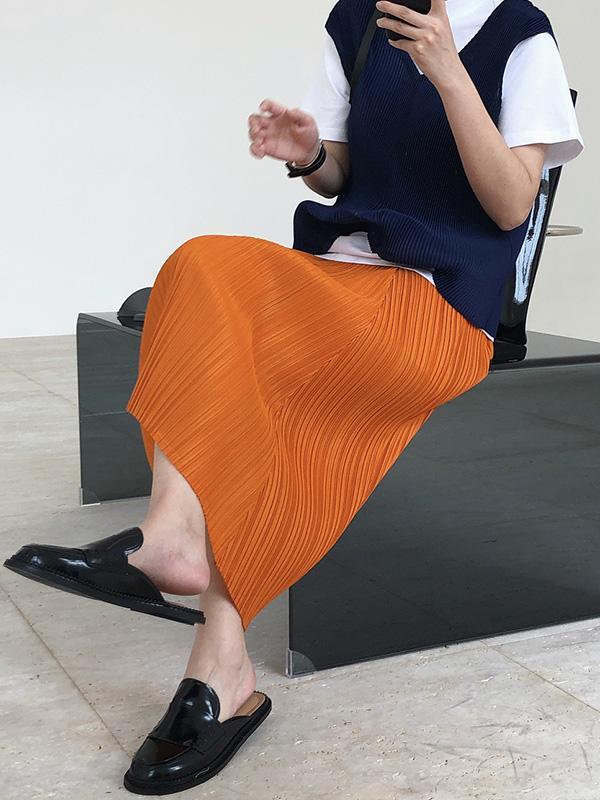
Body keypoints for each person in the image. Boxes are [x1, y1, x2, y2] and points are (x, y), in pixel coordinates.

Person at [3, 0, 584, 794]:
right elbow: (342, 174)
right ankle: (176, 548)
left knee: (261, 379)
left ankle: (218, 657)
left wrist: (449, 71)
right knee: (199, 267)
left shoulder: (521, 32)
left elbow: (513, 205)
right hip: (337, 275)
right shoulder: (359, 20)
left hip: (437, 304)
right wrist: (309, 155)